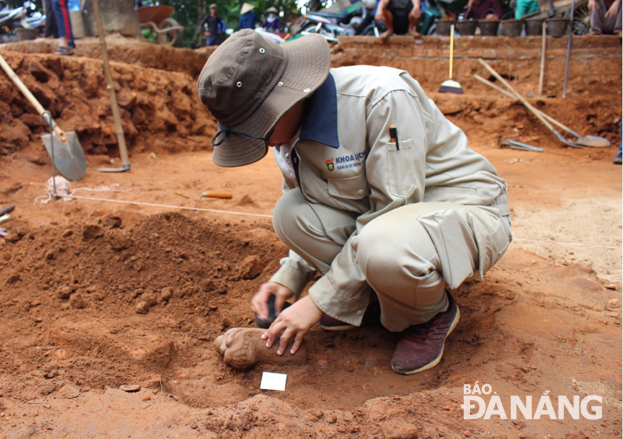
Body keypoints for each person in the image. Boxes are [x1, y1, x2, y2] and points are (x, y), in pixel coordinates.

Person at [198, 30, 512, 375]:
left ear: (283, 101)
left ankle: (430, 314)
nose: (259, 140)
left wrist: (318, 300)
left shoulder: (383, 98)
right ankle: (376, 300)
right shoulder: (285, 138)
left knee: (383, 248)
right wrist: (290, 276)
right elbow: (311, 202)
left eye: (255, 127)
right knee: (290, 214)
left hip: (464, 211)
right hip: (387, 223)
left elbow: (395, 207)